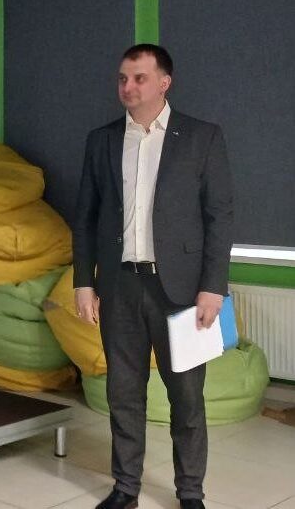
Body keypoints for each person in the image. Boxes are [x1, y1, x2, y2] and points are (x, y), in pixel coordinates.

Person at [73, 44, 233, 509]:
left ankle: (190, 493)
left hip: (181, 291)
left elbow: (219, 216)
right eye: (123, 78)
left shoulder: (202, 137)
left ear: (165, 82)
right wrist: (84, 281)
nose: (128, 87)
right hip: (119, 286)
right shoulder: (102, 140)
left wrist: (212, 287)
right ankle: (125, 487)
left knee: (187, 398)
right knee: (123, 394)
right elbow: (85, 217)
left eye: (139, 78)